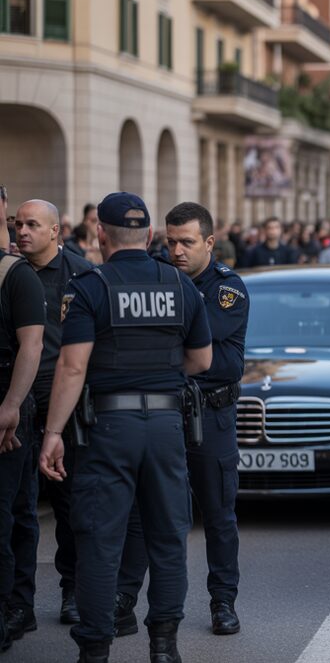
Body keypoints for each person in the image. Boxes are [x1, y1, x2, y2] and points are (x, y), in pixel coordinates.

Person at [38, 192, 212, 663]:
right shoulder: (181, 287)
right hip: (165, 425)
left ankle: (95, 650)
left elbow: (72, 369)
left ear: (100, 234)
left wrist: (52, 434)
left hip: (108, 427)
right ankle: (164, 645)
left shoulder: (90, 287)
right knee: (168, 536)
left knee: (99, 538)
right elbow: (202, 359)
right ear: (150, 235)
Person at [115, 202, 248, 638]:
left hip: (210, 412)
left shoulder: (228, 289)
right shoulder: (155, 275)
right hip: (163, 410)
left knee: (217, 512)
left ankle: (223, 601)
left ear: (209, 242)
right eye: (170, 241)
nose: (176, 251)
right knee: (142, 508)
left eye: (187, 242)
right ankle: (124, 598)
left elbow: (197, 343)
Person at [9, 200, 91, 636]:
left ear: (56, 231)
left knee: (70, 503)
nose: (22, 231)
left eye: (32, 225)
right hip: (19, 403)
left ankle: (73, 589)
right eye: (16, 224)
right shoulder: (10, 274)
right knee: (21, 506)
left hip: (65, 402)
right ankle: (19, 602)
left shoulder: (80, 274)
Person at [0, 239, 44, 654]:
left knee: (13, 513)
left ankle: (15, 606)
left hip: (14, 407)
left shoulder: (16, 274)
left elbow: (33, 344)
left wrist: (12, 405)